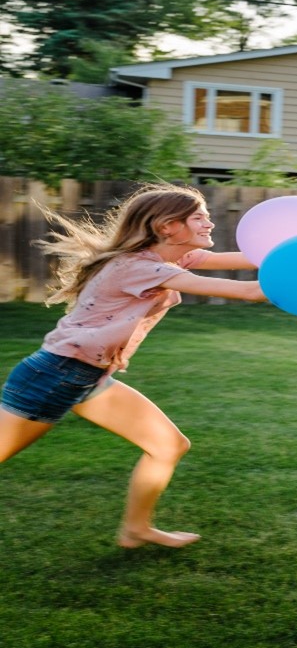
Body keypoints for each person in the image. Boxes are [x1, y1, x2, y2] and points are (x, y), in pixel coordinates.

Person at [0, 184, 266, 548]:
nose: (209, 223)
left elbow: (257, 259)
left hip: (89, 377)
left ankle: (136, 529)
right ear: (168, 226)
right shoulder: (137, 267)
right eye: (198, 217)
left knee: (168, 446)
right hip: (54, 376)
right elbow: (252, 291)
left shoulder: (170, 258)